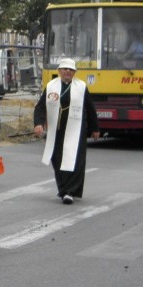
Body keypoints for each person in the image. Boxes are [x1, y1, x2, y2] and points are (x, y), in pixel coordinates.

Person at [33, 58, 100, 204]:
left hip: (77, 129)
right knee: (57, 159)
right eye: (65, 69)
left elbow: (90, 108)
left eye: (70, 70)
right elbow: (40, 107)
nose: (67, 72)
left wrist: (95, 128)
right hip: (56, 129)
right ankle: (63, 188)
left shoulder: (81, 87)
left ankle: (69, 191)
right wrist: (38, 124)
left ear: (74, 72)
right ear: (59, 71)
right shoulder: (51, 86)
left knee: (75, 159)